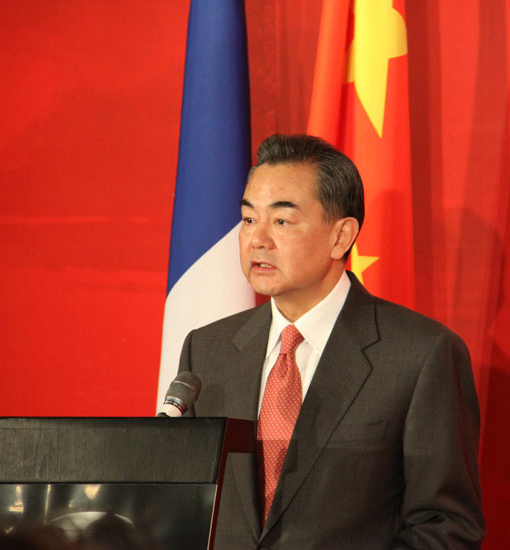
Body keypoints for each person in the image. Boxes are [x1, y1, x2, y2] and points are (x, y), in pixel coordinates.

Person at [178, 134, 484, 549]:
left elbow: (445, 528)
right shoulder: (207, 349)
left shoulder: (420, 355)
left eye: (282, 221)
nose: (257, 240)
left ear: (341, 236)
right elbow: (186, 506)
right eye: (249, 219)